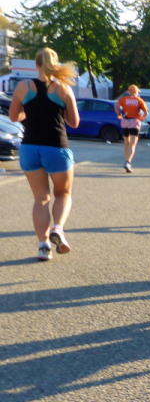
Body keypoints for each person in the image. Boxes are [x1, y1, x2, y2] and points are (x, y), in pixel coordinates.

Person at [9, 48, 80, 261]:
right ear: (56, 64)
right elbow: (74, 122)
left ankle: (43, 246)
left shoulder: (23, 87)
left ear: (36, 65)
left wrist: (30, 111)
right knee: (63, 193)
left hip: (29, 147)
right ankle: (58, 228)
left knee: (41, 198)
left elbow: (14, 117)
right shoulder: (63, 89)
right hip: (56, 147)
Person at [116, 85, 149, 173]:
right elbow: (146, 113)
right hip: (135, 122)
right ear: (136, 92)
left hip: (125, 122)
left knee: (126, 143)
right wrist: (141, 118)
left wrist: (118, 114)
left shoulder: (123, 99)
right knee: (133, 144)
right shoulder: (139, 100)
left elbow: (116, 106)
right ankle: (128, 162)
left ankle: (126, 160)